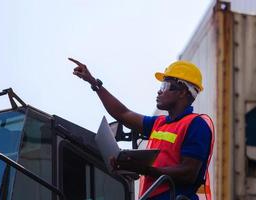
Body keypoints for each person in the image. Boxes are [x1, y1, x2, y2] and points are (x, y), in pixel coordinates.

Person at [69, 58, 214, 200]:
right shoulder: (160, 123)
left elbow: (188, 173)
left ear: (182, 92)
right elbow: (123, 114)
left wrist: (144, 169)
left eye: (164, 86)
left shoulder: (196, 125)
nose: (159, 92)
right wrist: (94, 83)